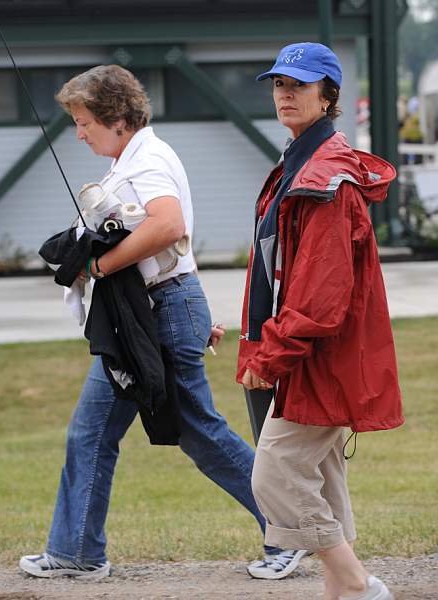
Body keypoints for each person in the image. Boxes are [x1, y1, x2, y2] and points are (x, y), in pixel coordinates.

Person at [19, 64, 306, 580]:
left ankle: (292, 532)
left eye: (84, 122)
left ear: (118, 119)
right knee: (91, 432)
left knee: (199, 433)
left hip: (158, 314)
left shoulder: (146, 160)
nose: (79, 133)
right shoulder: (136, 156)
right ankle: (75, 551)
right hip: (151, 314)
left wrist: (98, 265)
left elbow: (167, 224)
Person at [236, 43, 404, 600]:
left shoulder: (324, 177)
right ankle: (344, 591)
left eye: (300, 85)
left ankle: (357, 586)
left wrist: (271, 355)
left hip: (318, 356)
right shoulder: (297, 165)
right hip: (312, 354)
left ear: (329, 95)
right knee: (323, 476)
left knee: (276, 475)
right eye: (279, 84)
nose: (285, 93)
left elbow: (322, 297)